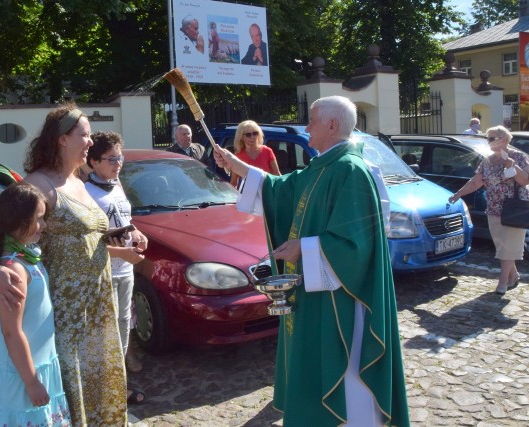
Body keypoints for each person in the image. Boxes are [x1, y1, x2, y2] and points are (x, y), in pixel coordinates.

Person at [213, 95, 409, 426]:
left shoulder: (350, 169)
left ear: (332, 125)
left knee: (346, 371)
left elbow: (358, 243)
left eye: (312, 121)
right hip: (322, 293)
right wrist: (237, 164)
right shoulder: (326, 165)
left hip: (343, 298)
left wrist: (304, 247)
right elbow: (282, 188)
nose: (306, 128)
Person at [0, 103, 127, 426]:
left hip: (97, 306)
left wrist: (120, 237)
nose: (90, 141)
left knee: (100, 382)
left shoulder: (80, 179)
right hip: (67, 312)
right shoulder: (38, 184)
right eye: (84, 135)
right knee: (73, 387)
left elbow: (85, 232)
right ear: (62, 139)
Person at [0, 182, 71, 426]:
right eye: (38, 219)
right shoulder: (14, 270)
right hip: (20, 372)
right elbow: (10, 331)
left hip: (35, 362)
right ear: (18, 220)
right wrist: (31, 382)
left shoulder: (26, 255)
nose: (44, 225)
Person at [84, 131, 148, 403]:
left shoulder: (117, 185)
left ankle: (119, 385)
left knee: (124, 325)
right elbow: (85, 244)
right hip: (103, 271)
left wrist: (137, 235)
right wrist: (122, 252)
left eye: (119, 157)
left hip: (125, 271)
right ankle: (104, 388)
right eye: (111, 159)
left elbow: (126, 220)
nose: (117, 163)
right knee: (103, 331)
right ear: (93, 162)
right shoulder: (86, 193)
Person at [449, 125, 529, 294]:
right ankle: (513, 275)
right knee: (502, 246)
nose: (489, 142)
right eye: (488, 138)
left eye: (493, 138)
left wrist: (513, 167)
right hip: (493, 208)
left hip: (514, 210)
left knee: (508, 247)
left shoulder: (518, 157)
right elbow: (476, 182)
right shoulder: (488, 160)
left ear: (505, 139)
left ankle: (503, 282)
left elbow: (524, 181)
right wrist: (458, 194)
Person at [229, 120, 280, 187]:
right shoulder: (238, 156)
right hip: (248, 195)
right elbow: (233, 183)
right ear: (241, 137)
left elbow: (277, 176)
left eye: (255, 133)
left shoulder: (267, 151)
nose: (252, 137)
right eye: (248, 135)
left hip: (266, 193)